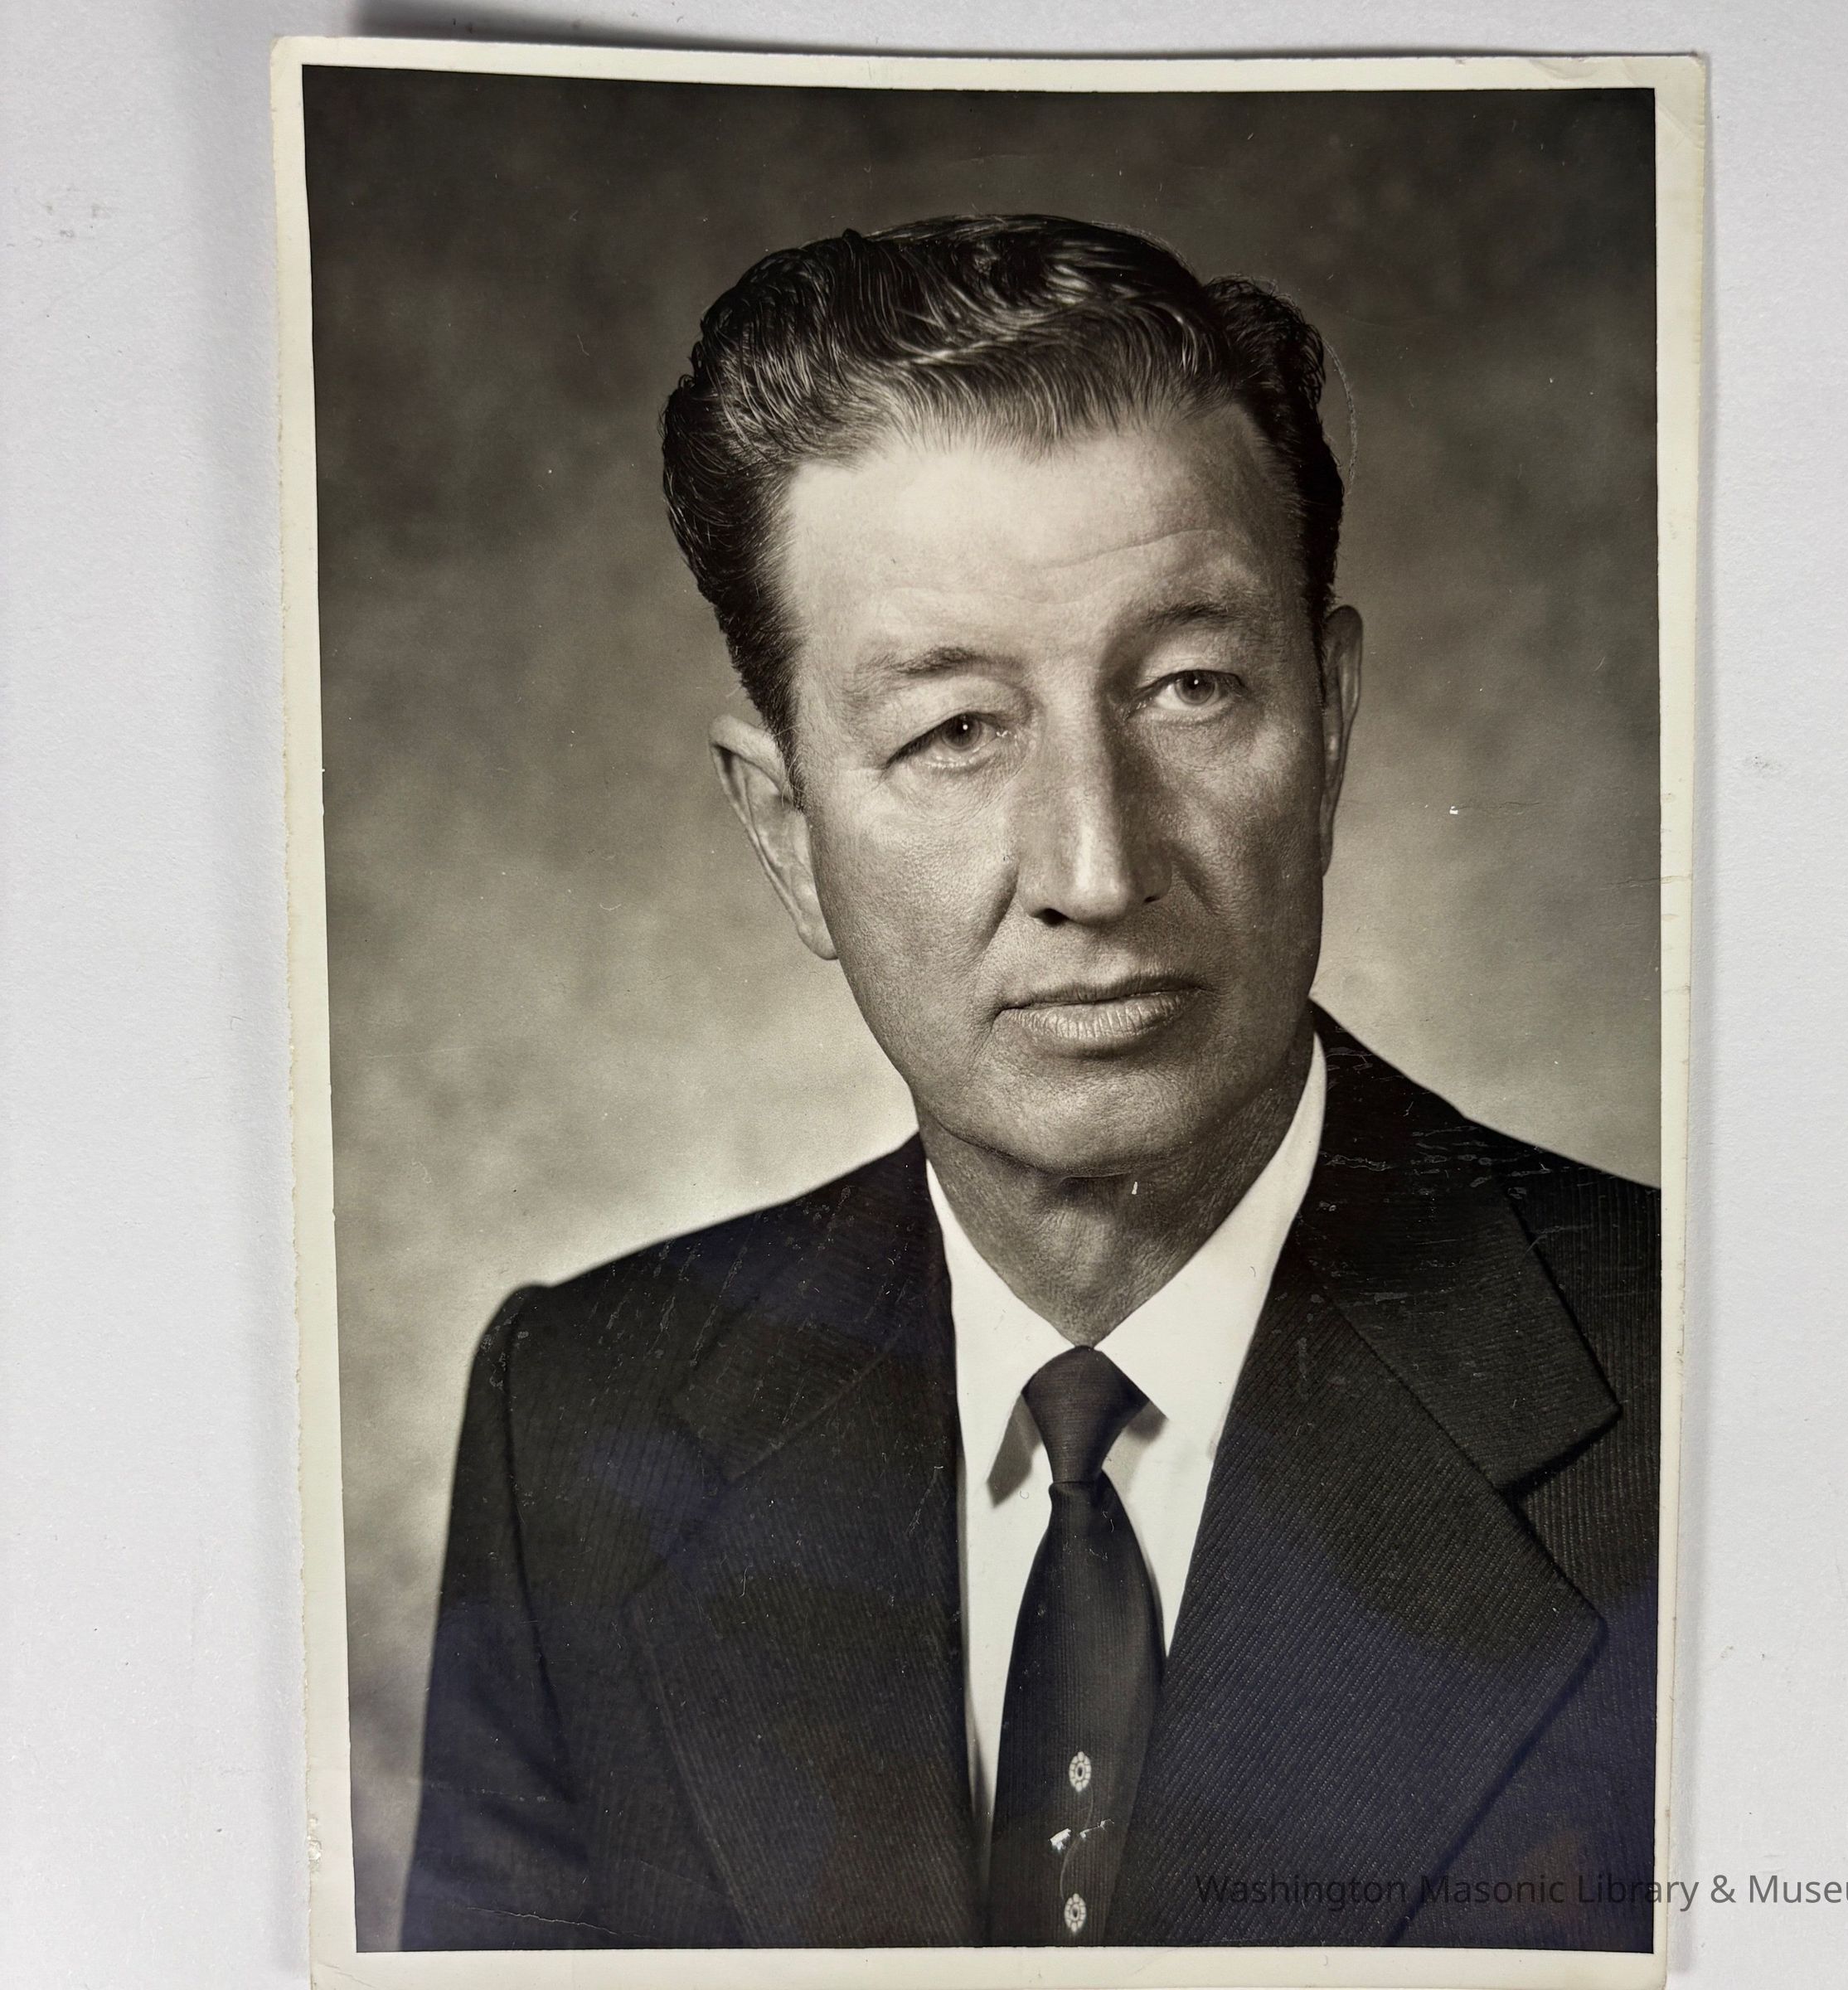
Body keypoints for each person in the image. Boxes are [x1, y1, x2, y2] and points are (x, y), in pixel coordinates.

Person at [403, 215, 1659, 1954]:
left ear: (1330, 729)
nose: (1094, 867)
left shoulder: (1709, 1393)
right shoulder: (579, 1421)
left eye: (1191, 688)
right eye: (954, 731)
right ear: (788, 836)